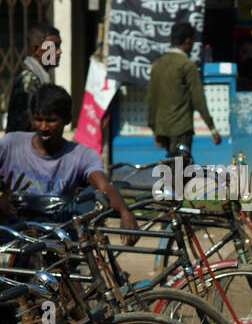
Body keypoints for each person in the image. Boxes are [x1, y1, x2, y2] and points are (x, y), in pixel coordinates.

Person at [0, 83, 137, 232]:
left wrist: (125, 212)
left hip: (56, 234)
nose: (44, 127)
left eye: (51, 121)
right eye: (38, 120)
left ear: (68, 119)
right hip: (13, 233)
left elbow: (103, 186)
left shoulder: (81, 155)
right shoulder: (10, 144)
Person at [147, 20, 221, 163]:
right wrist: (212, 128)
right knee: (181, 169)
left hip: (163, 129)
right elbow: (198, 99)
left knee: (172, 167)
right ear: (188, 41)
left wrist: (154, 128)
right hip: (181, 129)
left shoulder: (157, 65)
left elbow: (151, 99)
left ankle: (172, 184)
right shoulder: (187, 65)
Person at [6, 23, 61, 134]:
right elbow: (24, 128)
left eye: (59, 46)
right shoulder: (28, 81)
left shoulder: (40, 78)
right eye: (53, 47)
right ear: (36, 49)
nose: (59, 52)